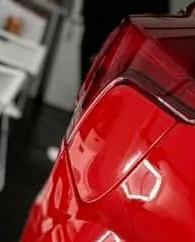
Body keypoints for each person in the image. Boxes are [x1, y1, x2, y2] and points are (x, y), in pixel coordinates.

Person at [47, 1, 169, 162]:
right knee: (94, 99)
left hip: (115, 34)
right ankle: (76, 153)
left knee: (101, 101)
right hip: (113, 32)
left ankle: (81, 156)